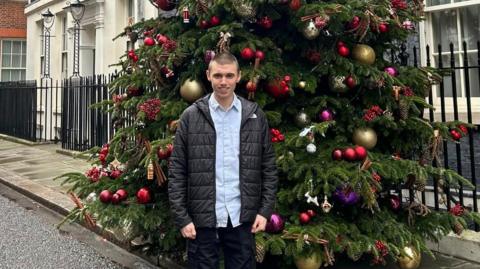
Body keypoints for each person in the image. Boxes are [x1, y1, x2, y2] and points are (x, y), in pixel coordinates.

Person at [168, 51, 278, 269]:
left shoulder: (254, 116)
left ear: (239, 76)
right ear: (208, 75)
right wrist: (183, 218)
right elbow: (177, 171)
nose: (223, 82)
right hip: (202, 218)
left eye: (229, 76)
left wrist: (264, 211)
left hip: (242, 217)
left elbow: (269, 168)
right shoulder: (191, 116)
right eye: (218, 76)